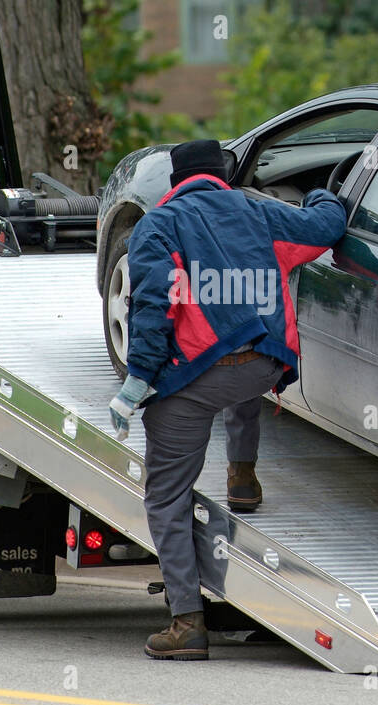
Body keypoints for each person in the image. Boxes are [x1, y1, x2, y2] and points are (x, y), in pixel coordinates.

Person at [109, 138, 347, 660]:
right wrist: (322, 196)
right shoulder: (260, 212)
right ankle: (242, 475)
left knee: (166, 496)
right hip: (264, 367)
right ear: (223, 177)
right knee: (240, 348)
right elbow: (327, 228)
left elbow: (153, 308)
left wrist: (136, 383)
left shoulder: (158, 226)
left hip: (197, 380)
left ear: (176, 182)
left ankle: (186, 623)